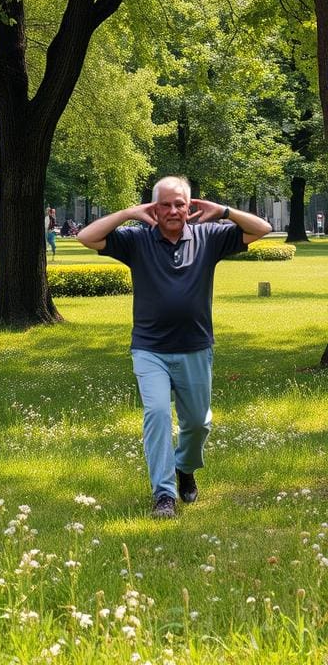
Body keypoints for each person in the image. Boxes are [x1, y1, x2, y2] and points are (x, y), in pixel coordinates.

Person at [77, 176, 271, 518]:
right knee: (157, 414)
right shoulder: (137, 241)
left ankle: (185, 467)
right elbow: (86, 237)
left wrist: (223, 211)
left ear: (190, 205)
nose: (172, 211)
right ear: (154, 207)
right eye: (165, 204)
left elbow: (262, 228)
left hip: (195, 347)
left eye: (180, 203)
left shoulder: (209, 237)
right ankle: (163, 495)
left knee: (197, 423)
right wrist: (128, 213)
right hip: (150, 348)